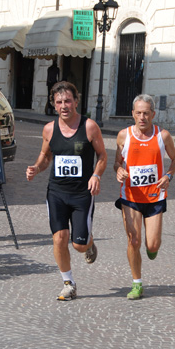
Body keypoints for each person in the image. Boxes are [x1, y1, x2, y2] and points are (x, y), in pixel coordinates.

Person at [26, 81, 107, 300]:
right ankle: (68, 283)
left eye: (68, 101)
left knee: (78, 245)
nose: (64, 106)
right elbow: (45, 157)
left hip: (82, 194)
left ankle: (88, 243)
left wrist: (96, 175)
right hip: (57, 192)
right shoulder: (49, 129)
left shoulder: (89, 127)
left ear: (76, 101)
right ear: (53, 104)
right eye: (59, 102)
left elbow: (102, 156)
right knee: (59, 239)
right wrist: (36, 167)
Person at [114, 94, 175, 300]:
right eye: (138, 113)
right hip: (130, 196)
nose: (142, 117)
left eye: (146, 113)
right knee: (134, 240)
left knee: (152, 245)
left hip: (154, 197)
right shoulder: (123, 136)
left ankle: (152, 250)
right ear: (133, 114)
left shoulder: (163, 136)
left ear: (153, 114)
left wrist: (168, 175)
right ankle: (137, 284)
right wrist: (118, 171)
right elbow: (117, 163)